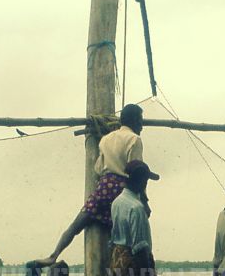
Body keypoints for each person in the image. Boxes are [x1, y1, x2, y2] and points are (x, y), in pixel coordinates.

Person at [34, 104, 146, 267]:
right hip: (122, 189)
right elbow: (136, 170)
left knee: (78, 222)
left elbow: (98, 167)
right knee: (122, 236)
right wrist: (143, 200)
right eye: (141, 120)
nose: (142, 125)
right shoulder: (135, 139)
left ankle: (53, 255)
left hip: (105, 185)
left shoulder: (106, 139)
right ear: (135, 120)